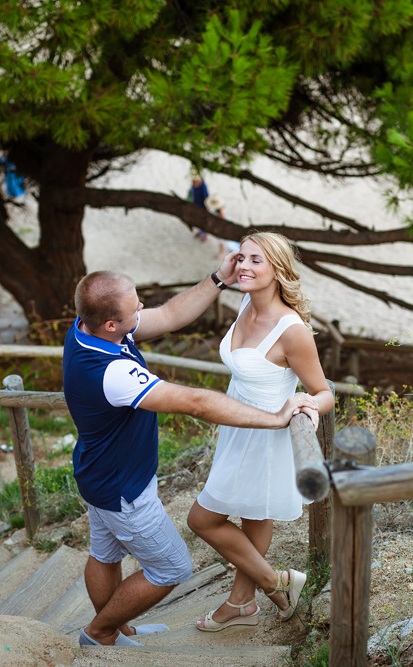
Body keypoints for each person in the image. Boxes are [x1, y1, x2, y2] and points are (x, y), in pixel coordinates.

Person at [63, 259, 320, 648]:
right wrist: (274, 418)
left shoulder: (88, 327)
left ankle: (116, 629)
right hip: (122, 488)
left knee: (104, 553)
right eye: (135, 309)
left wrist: (218, 279)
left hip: (96, 472)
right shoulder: (110, 370)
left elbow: (168, 314)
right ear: (112, 324)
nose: (142, 312)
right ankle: (99, 634)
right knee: (171, 567)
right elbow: (195, 402)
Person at [187, 231, 335, 631]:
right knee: (254, 518)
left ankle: (276, 584)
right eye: (241, 257)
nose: (244, 266)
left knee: (201, 519)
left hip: (267, 437)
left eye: (256, 260)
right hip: (238, 429)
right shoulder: (244, 306)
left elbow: (324, 392)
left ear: (278, 270)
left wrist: (307, 404)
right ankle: (243, 602)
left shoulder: (292, 330)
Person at [188, 168, 210, 241]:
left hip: (202, 206)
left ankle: (205, 234)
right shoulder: (193, 184)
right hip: (196, 204)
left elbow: (206, 197)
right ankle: (200, 231)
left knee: (203, 220)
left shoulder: (203, 186)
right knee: (198, 219)